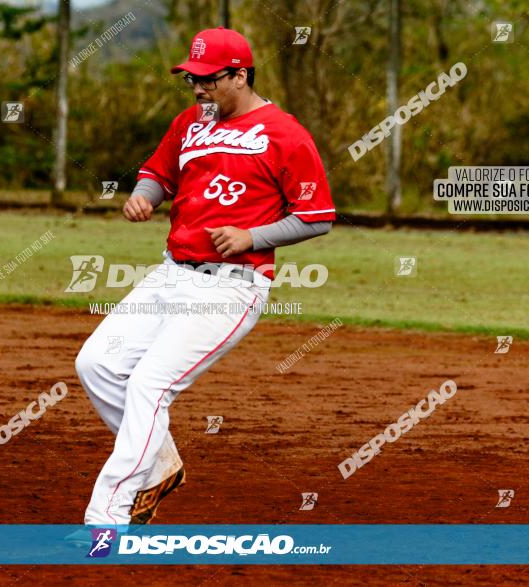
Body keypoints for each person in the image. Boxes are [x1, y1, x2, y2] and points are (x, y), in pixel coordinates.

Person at [74, 26, 336, 527]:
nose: (198, 88)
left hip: (231, 285)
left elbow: (317, 215)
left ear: (240, 75)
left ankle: (105, 519)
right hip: (171, 273)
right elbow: (159, 172)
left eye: (208, 79)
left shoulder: (285, 133)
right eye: (192, 78)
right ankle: (158, 466)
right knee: (97, 366)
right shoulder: (193, 122)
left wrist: (253, 237)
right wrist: (144, 196)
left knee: (150, 384)